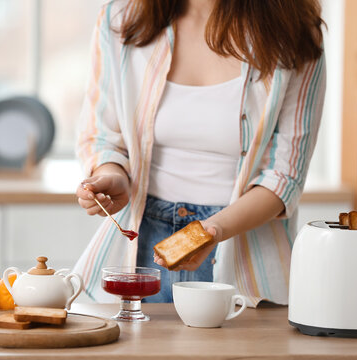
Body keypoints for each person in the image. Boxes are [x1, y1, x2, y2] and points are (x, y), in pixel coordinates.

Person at [74, 0, 326, 306]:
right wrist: (111, 176)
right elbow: (102, 136)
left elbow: (285, 177)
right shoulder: (118, 20)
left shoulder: (295, 31)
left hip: (243, 253)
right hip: (140, 247)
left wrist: (211, 231)